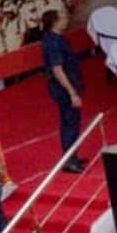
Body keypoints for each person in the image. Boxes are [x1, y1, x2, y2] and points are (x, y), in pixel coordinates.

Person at [39, 10, 86, 170]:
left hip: (67, 85)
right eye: (63, 18)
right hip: (63, 89)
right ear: (55, 22)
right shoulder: (53, 43)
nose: (66, 21)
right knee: (69, 122)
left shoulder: (57, 39)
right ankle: (69, 159)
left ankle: (73, 155)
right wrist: (72, 92)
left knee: (72, 121)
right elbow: (58, 70)